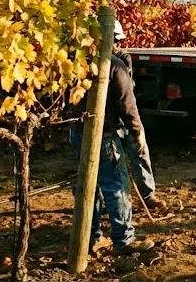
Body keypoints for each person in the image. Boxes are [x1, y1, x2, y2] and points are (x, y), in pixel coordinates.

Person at [69, 53, 155, 255]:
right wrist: (137, 134)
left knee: (90, 184)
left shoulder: (75, 61)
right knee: (116, 185)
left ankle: (90, 238)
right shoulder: (115, 66)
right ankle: (123, 241)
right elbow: (128, 106)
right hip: (104, 136)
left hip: (77, 131)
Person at [111, 20, 164, 213]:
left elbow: (126, 94)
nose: (116, 44)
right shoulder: (90, 62)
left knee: (140, 153)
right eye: (113, 40)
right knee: (112, 166)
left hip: (123, 118)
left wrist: (135, 128)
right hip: (108, 123)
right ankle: (111, 204)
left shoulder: (122, 60)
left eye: (117, 40)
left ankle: (148, 196)